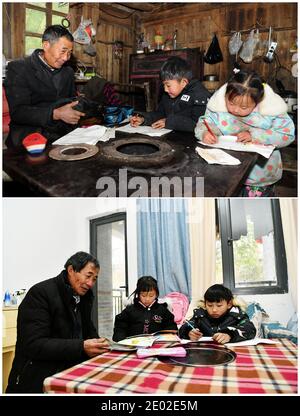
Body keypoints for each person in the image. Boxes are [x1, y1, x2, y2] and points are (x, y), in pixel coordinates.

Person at [6, 251, 109, 393]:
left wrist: (100, 344)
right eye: (88, 276)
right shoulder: (40, 293)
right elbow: (34, 344)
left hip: (69, 374)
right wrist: (81, 346)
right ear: (71, 270)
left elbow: (87, 330)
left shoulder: (83, 298)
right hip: (36, 380)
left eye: (95, 279)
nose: (91, 283)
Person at [194, 70, 295, 197]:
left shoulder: (271, 111)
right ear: (225, 95)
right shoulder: (218, 108)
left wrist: (255, 135)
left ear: (257, 101)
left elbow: (287, 134)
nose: (235, 110)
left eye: (243, 108)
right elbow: (205, 122)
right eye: (231, 103)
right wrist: (205, 132)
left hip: (259, 178)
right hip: (225, 174)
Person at [4, 25, 85, 148]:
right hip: (30, 134)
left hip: (61, 132)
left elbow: (71, 101)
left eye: (69, 53)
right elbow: (18, 112)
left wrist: (79, 108)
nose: (66, 58)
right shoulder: (19, 68)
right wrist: (56, 113)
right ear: (46, 45)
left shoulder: (67, 72)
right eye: (63, 51)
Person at [130, 56, 211, 132]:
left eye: (168, 85)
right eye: (164, 85)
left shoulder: (199, 94)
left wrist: (169, 122)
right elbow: (160, 113)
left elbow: (198, 124)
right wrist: (144, 119)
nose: (165, 89)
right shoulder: (169, 93)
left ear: (183, 82)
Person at [179, 284, 256, 344]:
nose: (214, 310)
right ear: (205, 304)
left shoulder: (237, 315)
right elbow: (185, 327)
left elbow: (250, 329)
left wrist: (230, 335)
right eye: (210, 305)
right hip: (205, 354)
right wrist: (188, 332)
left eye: (219, 305)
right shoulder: (200, 316)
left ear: (229, 304)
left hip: (232, 353)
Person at [113, 276, 177, 341]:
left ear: (156, 294)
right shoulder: (129, 311)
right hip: (134, 346)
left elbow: (171, 329)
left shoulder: (163, 310)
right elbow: (120, 329)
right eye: (143, 295)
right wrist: (121, 341)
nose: (147, 299)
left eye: (151, 295)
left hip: (156, 347)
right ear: (138, 294)